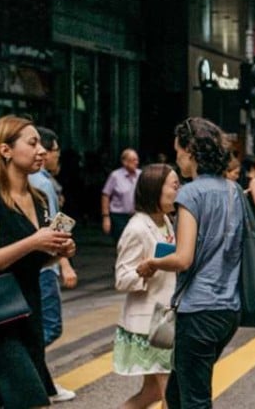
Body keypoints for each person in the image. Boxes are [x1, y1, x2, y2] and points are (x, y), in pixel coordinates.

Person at [136, 117, 243, 409]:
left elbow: (183, 258)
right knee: (177, 394)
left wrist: (154, 263)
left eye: (178, 151)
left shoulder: (190, 193)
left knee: (194, 399)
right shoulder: (233, 191)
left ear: (191, 150)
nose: (177, 159)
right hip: (228, 309)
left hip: (199, 310)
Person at [0, 116, 77, 409]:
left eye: (42, 145)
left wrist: (61, 251)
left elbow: (35, 260)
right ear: (5, 150)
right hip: (1, 321)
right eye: (32, 143)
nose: (41, 150)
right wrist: (33, 242)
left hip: (29, 314)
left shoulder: (41, 199)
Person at [113, 163, 180, 409]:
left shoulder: (165, 220)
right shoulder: (137, 228)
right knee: (171, 395)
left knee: (151, 393)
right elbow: (122, 277)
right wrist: (147, 271)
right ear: (155, 189)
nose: (179, 191)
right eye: (174, 186)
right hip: (150, 324)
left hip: (162, 318)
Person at [29, 127, 78, 359]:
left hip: (32, 265)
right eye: (55, 150)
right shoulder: (41, 183)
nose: (55, 155)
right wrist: (65, 263)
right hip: (45, 265)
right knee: (49, 326)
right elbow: (55, 226)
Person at [102, 148, 140, 241]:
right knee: (121, 243)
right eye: (133, 160)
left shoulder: (140, 174)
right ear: (125, 162)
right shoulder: (115, 175)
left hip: (136, 215)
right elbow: (105, 195)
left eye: (137, 159)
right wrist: (106, 217)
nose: (137, 162)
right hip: (119, 216)